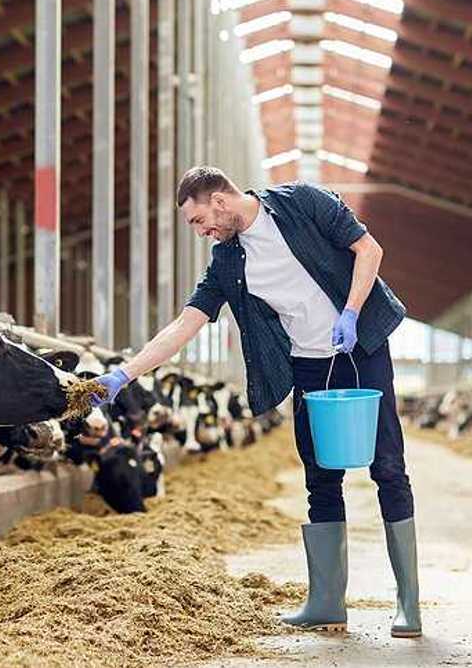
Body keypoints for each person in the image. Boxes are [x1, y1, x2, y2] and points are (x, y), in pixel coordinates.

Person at [89, 165, 420, 638]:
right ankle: (327, 602)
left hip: (360, 348)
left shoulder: (303, 202)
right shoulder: (228, 263)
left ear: (219, 202)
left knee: (387, 465)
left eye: (199, 221)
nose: (202, 232)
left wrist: (350, 311)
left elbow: (369, 249)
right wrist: (125, 373)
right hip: (307, 365)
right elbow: (184, 325)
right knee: (321, 477)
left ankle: (408, 603)